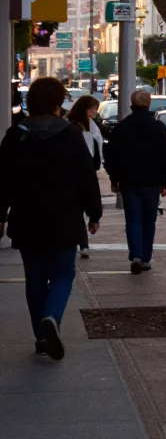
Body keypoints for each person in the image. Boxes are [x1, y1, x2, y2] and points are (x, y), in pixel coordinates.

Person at [0, 78, 102, 360]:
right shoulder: (70, 135)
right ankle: (52, 317)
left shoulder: (15, 135)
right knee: (61, 273)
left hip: (27, 217)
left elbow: (3, 181)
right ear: (58, 104)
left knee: (34, 277)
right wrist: (94, 213)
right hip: (64, 218)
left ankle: (41, 337)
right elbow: (86, 178)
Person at [104, 90, 166, 274]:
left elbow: (111, 156)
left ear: (131, 106)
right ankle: (145, 257)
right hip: (152, 182)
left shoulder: (121, 128)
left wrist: (114, 179)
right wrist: (164, 181)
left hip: (129, 182)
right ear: (149, 104)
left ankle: (136, 254)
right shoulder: (158, 127)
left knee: (133, 219)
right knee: (149, 220)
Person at [66, 95, 106, 258]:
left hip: (71, 169)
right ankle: (84, 243)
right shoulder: (90, 126)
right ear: (84, 109)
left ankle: (82, 243)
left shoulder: (69, 124)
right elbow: (98, 145)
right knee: (84, 205)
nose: (95, 112)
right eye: (92, 108)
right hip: (86, 167)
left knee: (76, 209)